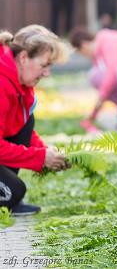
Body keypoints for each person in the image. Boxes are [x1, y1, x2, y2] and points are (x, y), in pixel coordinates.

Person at [0, 25, 69, 215]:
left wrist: (45, 152)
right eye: (44, 65)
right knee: (14, 191)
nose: (47, 73)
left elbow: (20, 128)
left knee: (26, 121)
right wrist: (40, 158)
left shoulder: (21, 83)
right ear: (23, 58)